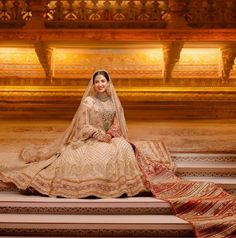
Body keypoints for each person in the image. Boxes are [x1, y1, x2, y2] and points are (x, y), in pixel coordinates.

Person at [0, 70, 235, 238]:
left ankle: (123, 185)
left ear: (108, 83)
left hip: (109, 138)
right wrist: (98, 135)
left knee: (122, 147)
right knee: (80, 156)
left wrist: (112, 133)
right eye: (97, 81)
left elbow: (116, 123)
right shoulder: (88, 102)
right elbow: (82, 127)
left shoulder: (113, 100)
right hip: (89, 139)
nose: (100, 84)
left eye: (103, 81)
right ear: (92, 84)